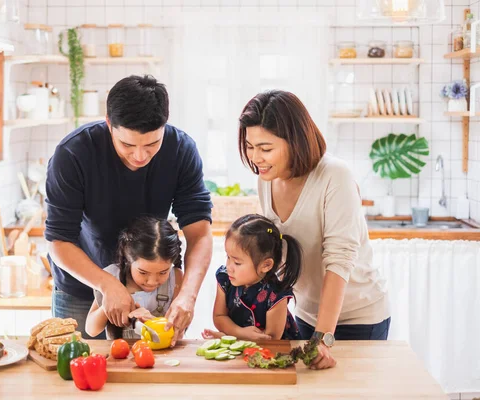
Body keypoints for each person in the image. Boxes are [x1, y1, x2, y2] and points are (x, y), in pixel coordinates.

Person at [45, 75, 213, 343]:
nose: (139, 156)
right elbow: (59, 241)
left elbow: (200, 234)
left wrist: (187, 294)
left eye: (151, 144)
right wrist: (107, 284)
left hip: (152, 285)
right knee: (72, 374)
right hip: (81, 286)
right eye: (127, 145)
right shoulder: (73, 154)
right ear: (109, 123)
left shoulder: (181, 150)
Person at [237, 90, 390, 369]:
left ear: (294, 142)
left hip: (357, 318)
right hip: (306, 314)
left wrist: (323, 336)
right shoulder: (266, 179)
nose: (256, 157)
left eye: (266, 148)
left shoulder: (334, 175)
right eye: (250, 146)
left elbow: (339, 259)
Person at [201, 214, 301, 342]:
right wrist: (239, 333)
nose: (229, 267)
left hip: (274, 352)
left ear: (266, 265)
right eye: (228, 257)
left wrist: (229, 336)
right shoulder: (225, 278)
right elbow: (219, 316)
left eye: (237, 263)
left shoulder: (276, 294)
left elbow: (271, 338)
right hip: (242, 346)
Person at [85, 216, 183, 339]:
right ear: (128, 259)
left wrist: (152, 322)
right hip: (119, 356)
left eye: (163, 272)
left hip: (162, 357)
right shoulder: (111, 276)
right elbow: (91, 330)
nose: (152, 282)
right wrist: (108, 305)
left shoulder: (176, 278)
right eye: (143, 272)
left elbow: (179, 335)